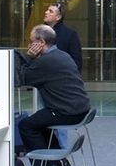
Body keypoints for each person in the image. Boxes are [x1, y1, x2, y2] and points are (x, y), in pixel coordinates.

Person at [14, 24, 90, 155]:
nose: (28, 46)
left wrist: (29, 56)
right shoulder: (62, 55)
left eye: (31, 42)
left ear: (41, 42)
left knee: (25, 125)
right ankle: (57, 161)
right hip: (81, 110)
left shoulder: (46, 61)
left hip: (67, 113)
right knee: (40, 121)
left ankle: (46, 164)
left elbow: (18, 79)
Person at [44, 3, 83, 72]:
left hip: (62, 76)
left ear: (58, 17)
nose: (46, 12)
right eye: (47, 10)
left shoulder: (70, 34)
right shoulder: (40, 32)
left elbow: (76, 61)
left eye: (50, 11)